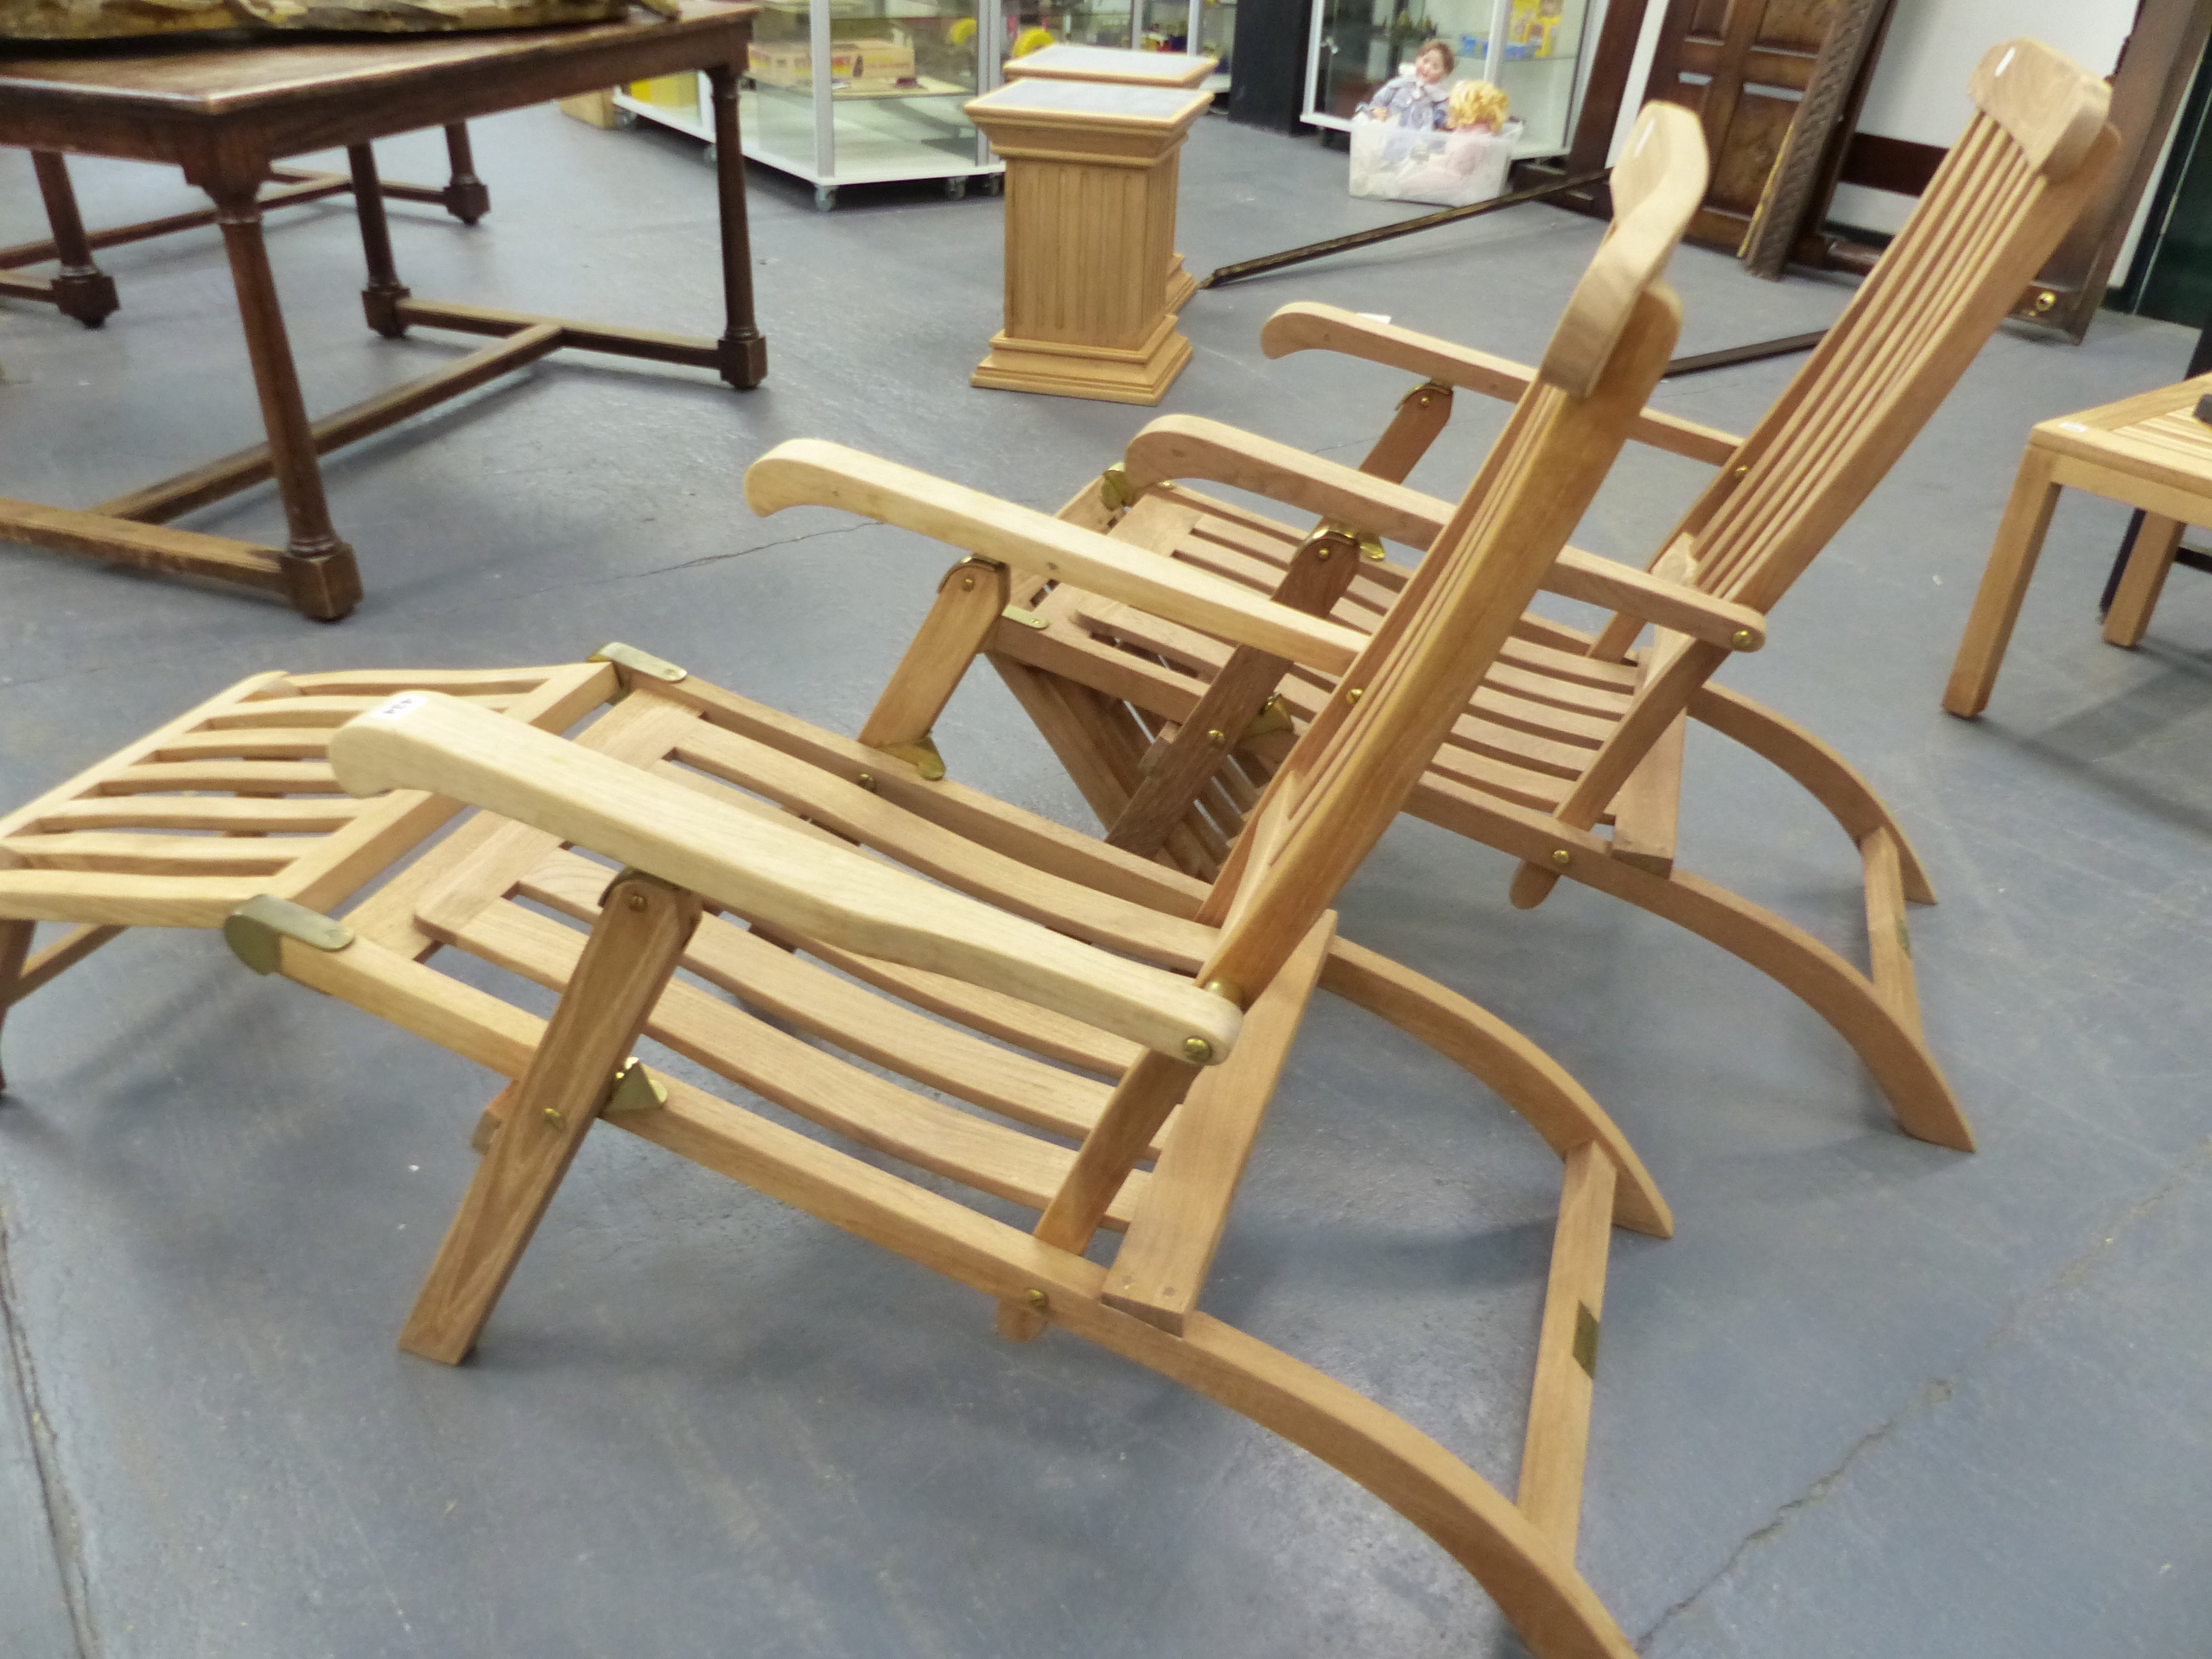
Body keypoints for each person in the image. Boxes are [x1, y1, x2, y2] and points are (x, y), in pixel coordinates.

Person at [1357, 38, 1454, 130]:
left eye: (1435, 67)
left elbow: (1442, 120)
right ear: (1418, 58)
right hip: (1390, 138)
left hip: (1419, 143)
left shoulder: (1439, 97)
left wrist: (1449, 123)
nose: (1427, 68)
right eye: (1425, 61)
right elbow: (1377, 102)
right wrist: (1375, 111)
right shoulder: (1400, 84)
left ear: (1444, 74)